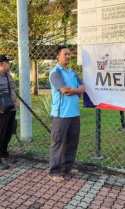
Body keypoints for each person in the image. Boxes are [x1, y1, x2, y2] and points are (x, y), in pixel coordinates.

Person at [47, 46, 85, 182]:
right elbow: (64, 90)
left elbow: (83, 87)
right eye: (65, 54)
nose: (68, 56)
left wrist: (76, 90)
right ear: (58, 56)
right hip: (61, 114)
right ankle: (54, 171)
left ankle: (67, 166)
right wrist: (77, 90)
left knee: (72, 141)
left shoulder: (72, 72)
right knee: (58, 142)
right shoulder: (56, 72)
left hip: (74, 113)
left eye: (69, 54)